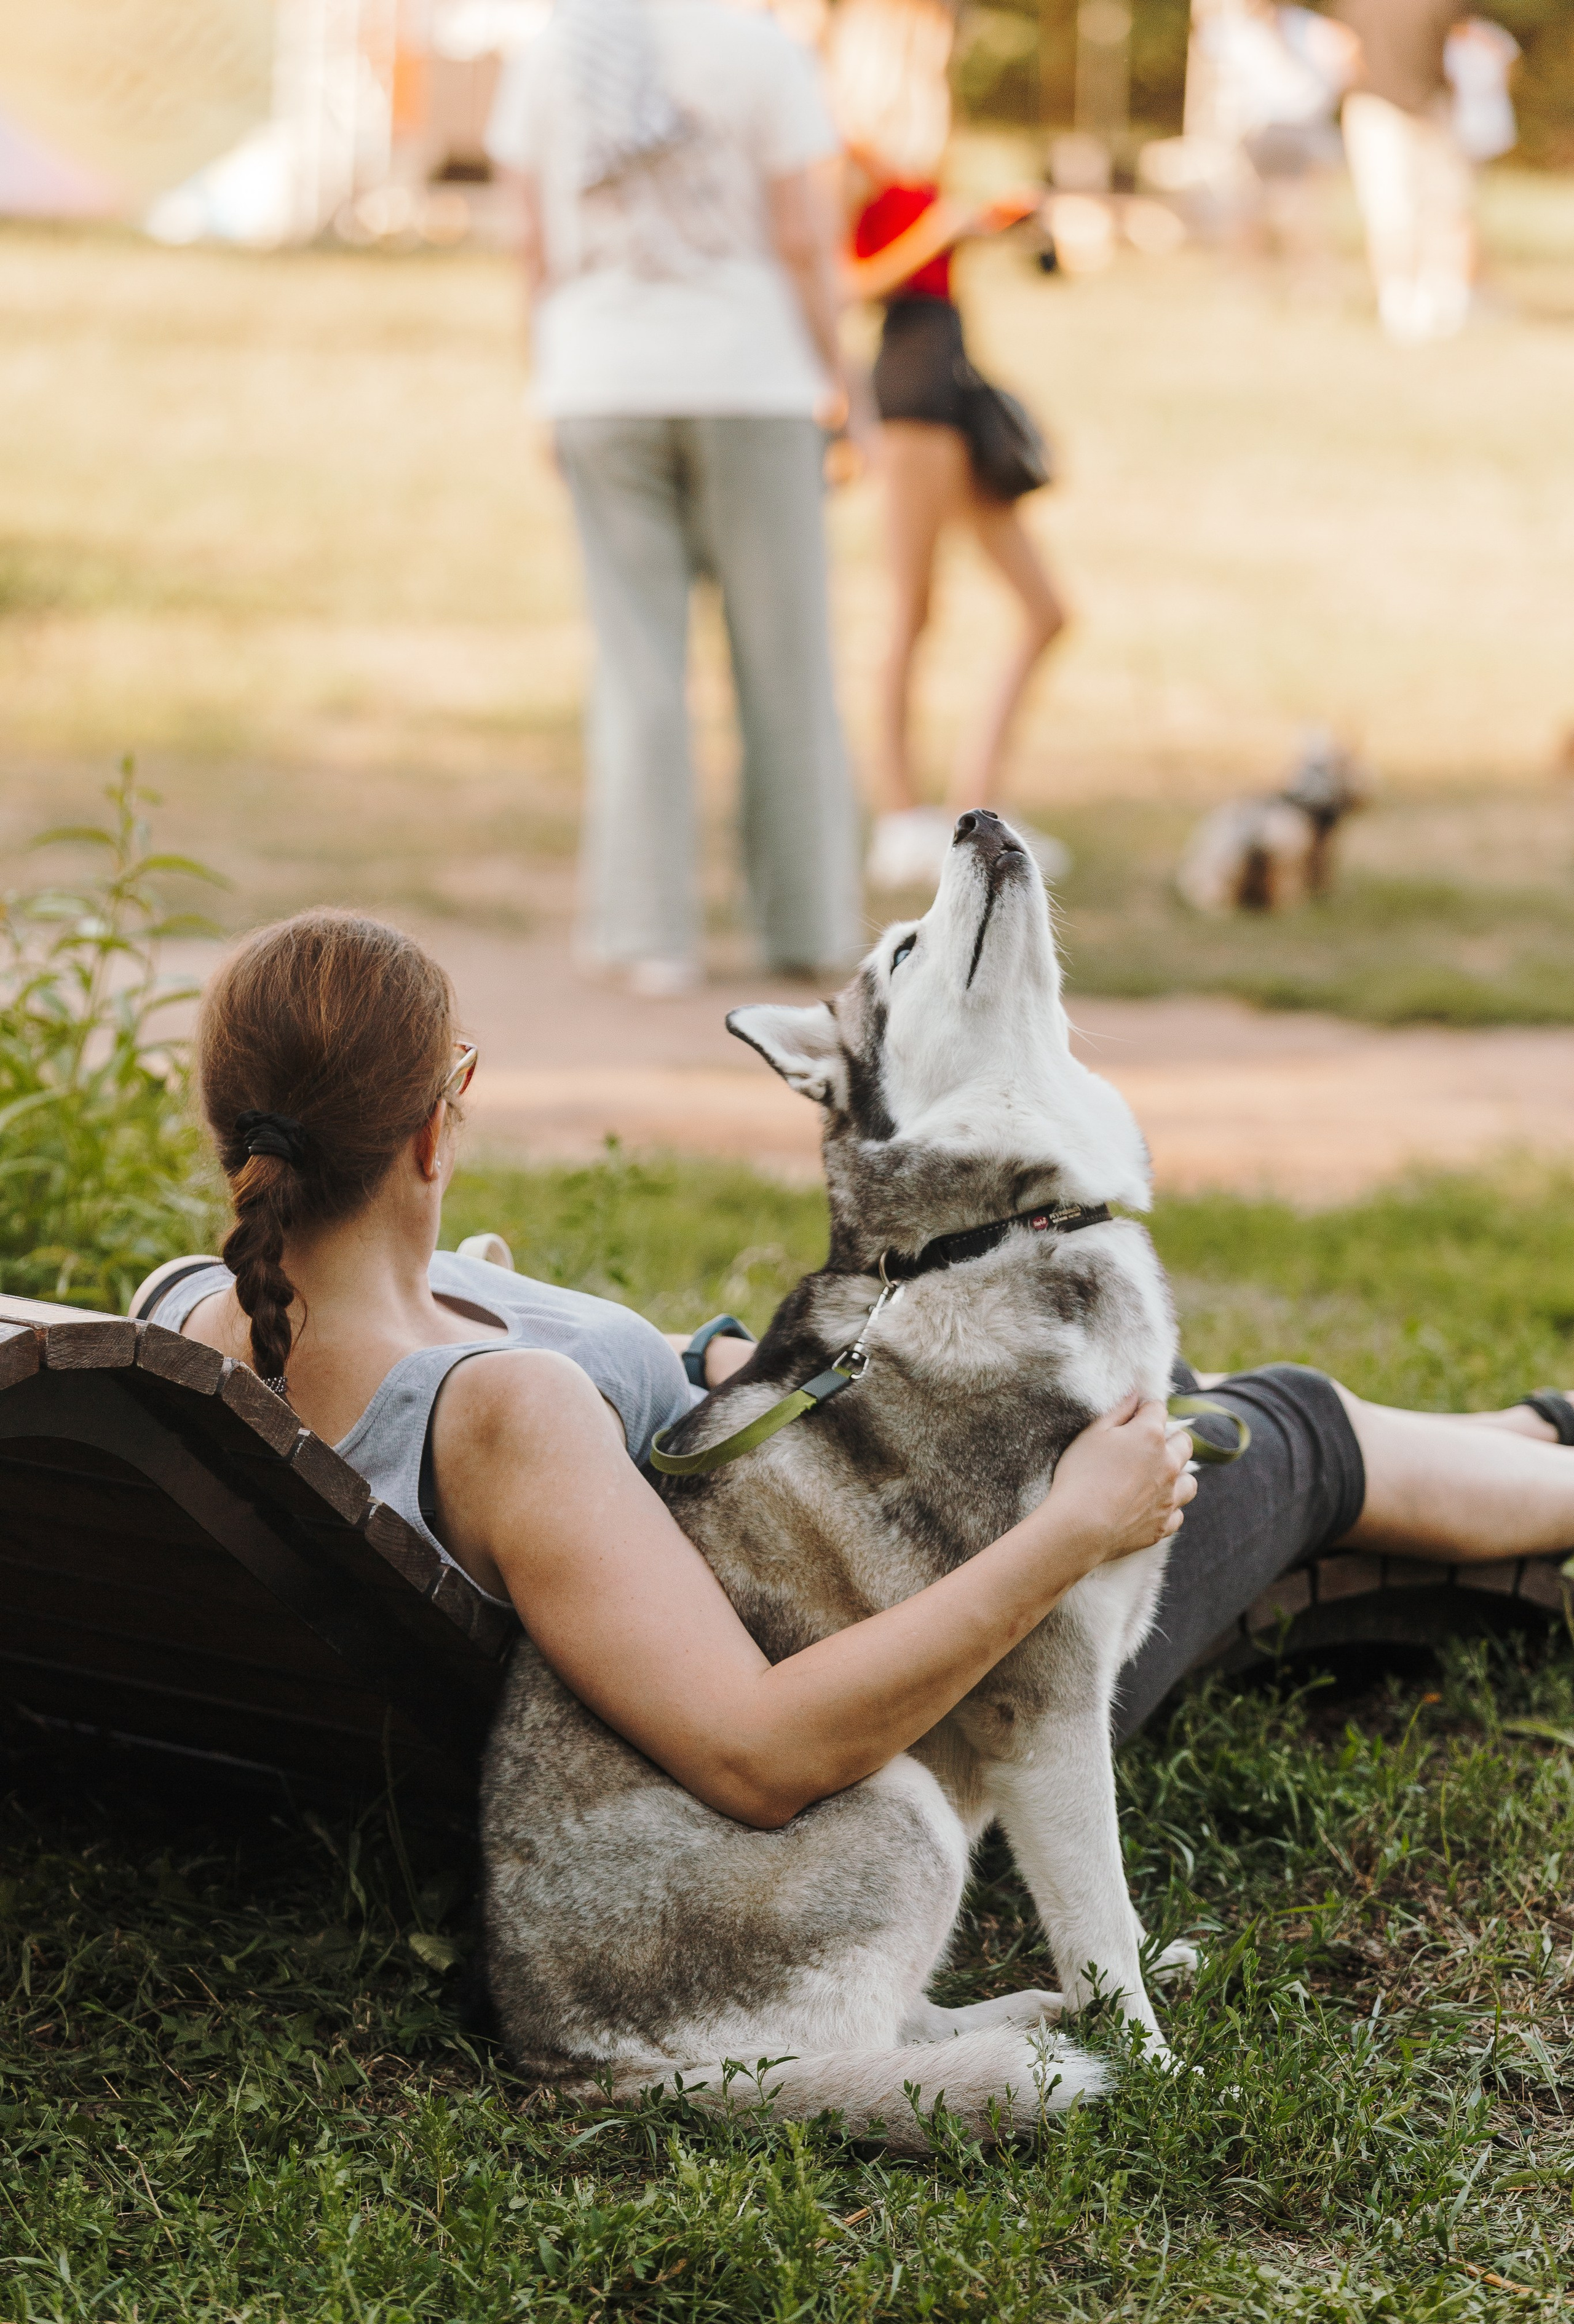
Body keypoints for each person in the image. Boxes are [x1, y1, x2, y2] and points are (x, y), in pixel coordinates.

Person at [133, 909, 1574, 1825]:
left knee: (1156, 1391)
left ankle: (1529, 1432)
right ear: (435, 1134)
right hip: (924, 1688)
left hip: (811, 1516)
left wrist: (575, 1326)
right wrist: (1074, 1527)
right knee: (1279, 1426)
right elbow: (758, 1752)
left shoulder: (192, 1317)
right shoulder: (505, 1416)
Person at [483, 0, 860, 997]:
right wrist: (844, 383)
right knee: (786, 660)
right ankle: (809, 925)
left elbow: (530, 241)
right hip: (753, 377)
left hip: (601, 376)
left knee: (638, 667)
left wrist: (543, 381)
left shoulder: (554, 53)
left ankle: (650, 931)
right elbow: (799, 235)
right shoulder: (764, 51)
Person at [826, 0, 1069, 898]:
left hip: (957, 382)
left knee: (1046, 609)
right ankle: (898, 814)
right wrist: (944, 231)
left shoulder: (915, 152)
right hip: (909, 392)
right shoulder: (845, 150)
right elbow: (840, 282)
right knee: (912, 608)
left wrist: (988, 227)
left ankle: (976, 807)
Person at [1333, 0, 1475, 342]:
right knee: (1436, 208)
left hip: (1382, 107)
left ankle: (1407, 304)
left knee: (1395, 210)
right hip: (1421, 107)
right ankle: (1429, 302)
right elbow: (1468, 46)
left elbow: (1344, 51)